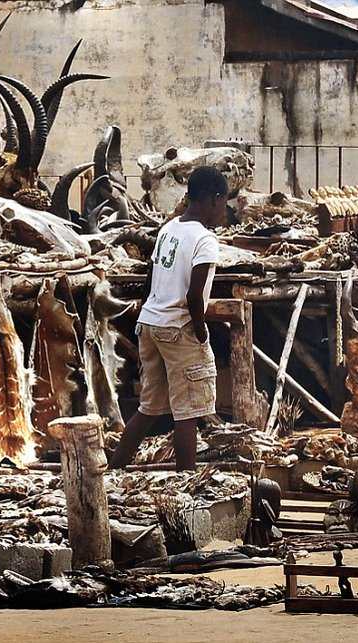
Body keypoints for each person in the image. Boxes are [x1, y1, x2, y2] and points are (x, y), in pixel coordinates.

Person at [108, 166, 228, 471]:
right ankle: (187, 480)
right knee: (188, 411)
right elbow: (193, 296)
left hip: (150, 323)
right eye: (224, 203)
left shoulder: (169, 228)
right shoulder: (205, 240)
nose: (223, 211)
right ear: (215, 200)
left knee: (149, 407)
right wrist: (201, 333)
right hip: (179, 327)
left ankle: (114, 470)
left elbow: (150, 281)